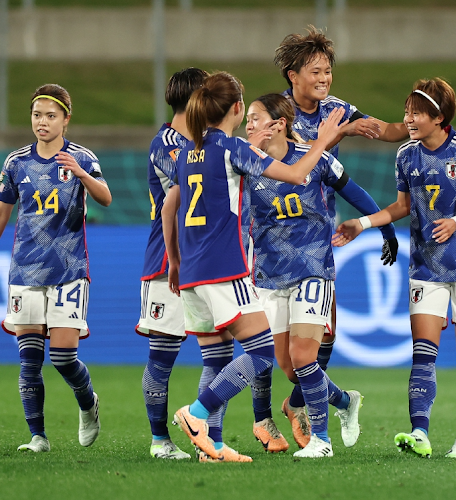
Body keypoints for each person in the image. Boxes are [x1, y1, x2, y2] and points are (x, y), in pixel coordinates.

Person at [166, 71, 346, 462]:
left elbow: (170, 207)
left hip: (192, 271)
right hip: (223, 268)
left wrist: (175, 262)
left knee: (215, 359)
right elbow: (298, 174)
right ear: (235, 108)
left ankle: (211, 446)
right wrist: (324, 141)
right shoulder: (233, 148)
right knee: (263, 352)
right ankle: (197, 415)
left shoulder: (185, 153)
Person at [332, 78, 456, 459]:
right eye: (407, 111)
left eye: (416, 112)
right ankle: (419, 432)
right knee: (422, 352)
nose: (408, 118)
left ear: (439, 117)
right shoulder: (406, 154)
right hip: (425, 267)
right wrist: (363, 224)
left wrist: (455, 222)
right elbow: (402, 205)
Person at [273, 24, 407, 446]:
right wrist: (340, 132)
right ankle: (329, 401)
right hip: (272, 246)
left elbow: (381, 134)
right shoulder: (277, 117)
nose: (324, 79)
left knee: (318, 346)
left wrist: (418, 121)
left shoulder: (336, 108)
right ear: (293, 75)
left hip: (315, 246)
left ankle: (298, 412)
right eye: (315, 71)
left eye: (328, 71)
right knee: (281, 360)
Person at [0, 84, 111, 453]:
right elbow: (2, 212)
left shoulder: (81, 157)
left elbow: (106, 198)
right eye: (37, 115)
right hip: (25, 271)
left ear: (66, 119)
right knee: (29, 360)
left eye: (50, 116)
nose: (42, 122)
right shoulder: (16, 162)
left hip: (68, 269)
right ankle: (38, 437)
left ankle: (88, 403)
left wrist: (81, 173)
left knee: (63, 356)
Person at [245, 93, 367, 458]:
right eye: (246, 118)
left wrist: (380, 226)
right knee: (286, 365)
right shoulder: (243, 161)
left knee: (303, 357)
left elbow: (353, 191)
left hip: (313, 269)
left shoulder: (316, 160)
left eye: (254, 118)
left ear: (277, 125)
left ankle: (322, 441)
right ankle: (345, 401)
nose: (248, 125)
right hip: (269, 273)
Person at [136, 67, 209, 460]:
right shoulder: (166, 143)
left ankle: (208, 437)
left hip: (208, 259)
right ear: (196, 98)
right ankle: (159, 439)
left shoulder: (205, 141)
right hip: (168, 261)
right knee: (163, 354)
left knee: (220, 352)